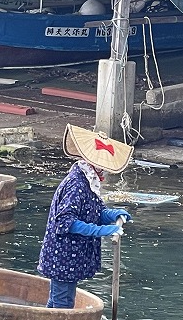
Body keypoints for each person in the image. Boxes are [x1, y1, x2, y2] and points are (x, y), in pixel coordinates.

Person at [38, 124, 134, 309]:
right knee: (62, 302)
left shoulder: (88, 181)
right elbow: (65, 222)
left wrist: (114, 215)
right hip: (63, 255)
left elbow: (97, 211)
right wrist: (101, 230)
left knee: (63, 299)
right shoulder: (76, 184)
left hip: (71, 257)